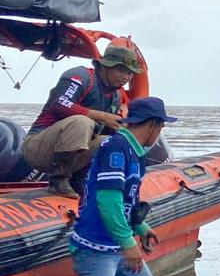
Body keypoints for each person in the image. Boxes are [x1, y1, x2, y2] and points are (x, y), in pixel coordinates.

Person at [69, 97, 175, 276]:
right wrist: (128, 243)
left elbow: (128, 199)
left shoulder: (135, 154)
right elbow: (108, 201)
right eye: (161, 126)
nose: (160, 132)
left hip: (117, 245)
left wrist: (140, 227)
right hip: (95, 249)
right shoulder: (115, 149)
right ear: (153, 125)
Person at [23, 44, 142, 197]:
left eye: (130, 73)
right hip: (40, 146)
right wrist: (102, 116)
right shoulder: (81, 77)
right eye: (121, 70)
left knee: (109, 141)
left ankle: (79, 181)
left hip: (75, 156)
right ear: (105, 66)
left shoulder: (115, 97)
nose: (126, 77)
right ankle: (58, 180)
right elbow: (58, 103)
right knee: (82, 122)